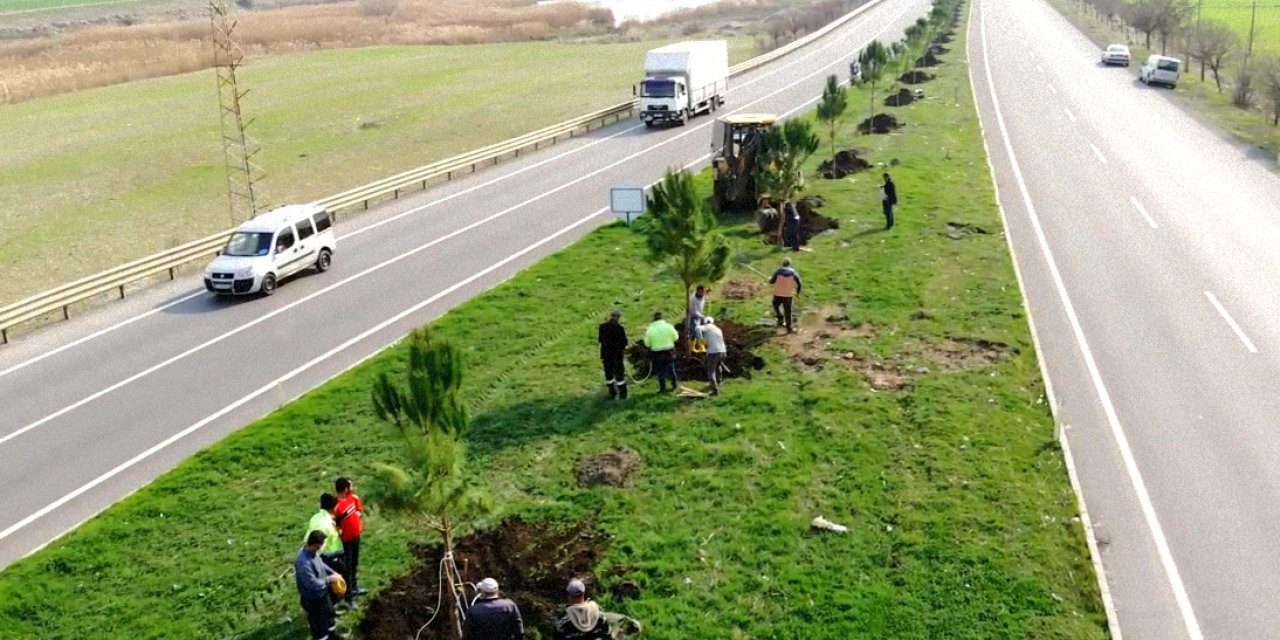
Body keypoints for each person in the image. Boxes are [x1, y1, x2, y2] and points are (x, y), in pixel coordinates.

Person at [296, 530, 344, 640]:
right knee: (318, 624)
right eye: (321, 545)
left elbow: (321, 564)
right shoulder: (303, 563)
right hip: (313, 598)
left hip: (323, 593)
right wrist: (330, 579)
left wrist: (333, 572)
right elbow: (313, 584)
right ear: (314, 545)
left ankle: (332, 634)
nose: (322, 547)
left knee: (330, 613)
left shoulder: (313, 552)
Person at [307, 493, 346, 602]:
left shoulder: (315, 518)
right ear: (333, 508)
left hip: (323, 556)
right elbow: (320, 545)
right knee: (332, 584)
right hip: (330, 557)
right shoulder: (326, 524)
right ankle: (332, 607)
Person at [333, 477, 366, 607]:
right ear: (345, 488)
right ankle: (348, 598)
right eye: (350, 486)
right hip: (345, 541)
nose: (352, 488)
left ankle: (355, 587)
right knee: (347, 568)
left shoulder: (352, 498)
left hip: (355, 537)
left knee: (354, 563)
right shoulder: (336, 505)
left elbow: (358, 511)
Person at [644, 311, 680, 393]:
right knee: (671, 369)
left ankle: (662, 388)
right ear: (662, 318)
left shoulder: (650, 329)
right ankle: (674, 385)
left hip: (657, 352)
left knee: (660, 371)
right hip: (669, 351)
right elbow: (676, 337)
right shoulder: (669, 326)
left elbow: (647, 343)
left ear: (654, 319)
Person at [597, 309, 629, 400]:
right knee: (620, 375)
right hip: (617, 355)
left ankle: (612, 393)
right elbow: (624, 342)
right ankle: (623, 394)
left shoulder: (602, 327)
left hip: (606, 355)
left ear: (610, 316)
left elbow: (600, 340)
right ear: (618, 318)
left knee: (609, 375)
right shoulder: (620, 328)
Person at [769, 258, 803, 334]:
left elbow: (772, 281)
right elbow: (799, 283)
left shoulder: (778, 271)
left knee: (775, 304)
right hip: (788, 295)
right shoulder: (793, 272)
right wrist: (797, 293)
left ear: (782, 264)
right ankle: (789, 327)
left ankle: (780, 316)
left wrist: (770, 279)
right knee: (788, 310)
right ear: (789, 264)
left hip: (778, 294)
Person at [698, 317, 727, 397]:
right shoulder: (718, 329)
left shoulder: (706, 327)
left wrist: (701, 340)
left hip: (713, 352)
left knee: (711, 372)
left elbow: (697, 328)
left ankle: (715, 391)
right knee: (718, 366)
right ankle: (719, 382)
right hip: (723, 351)